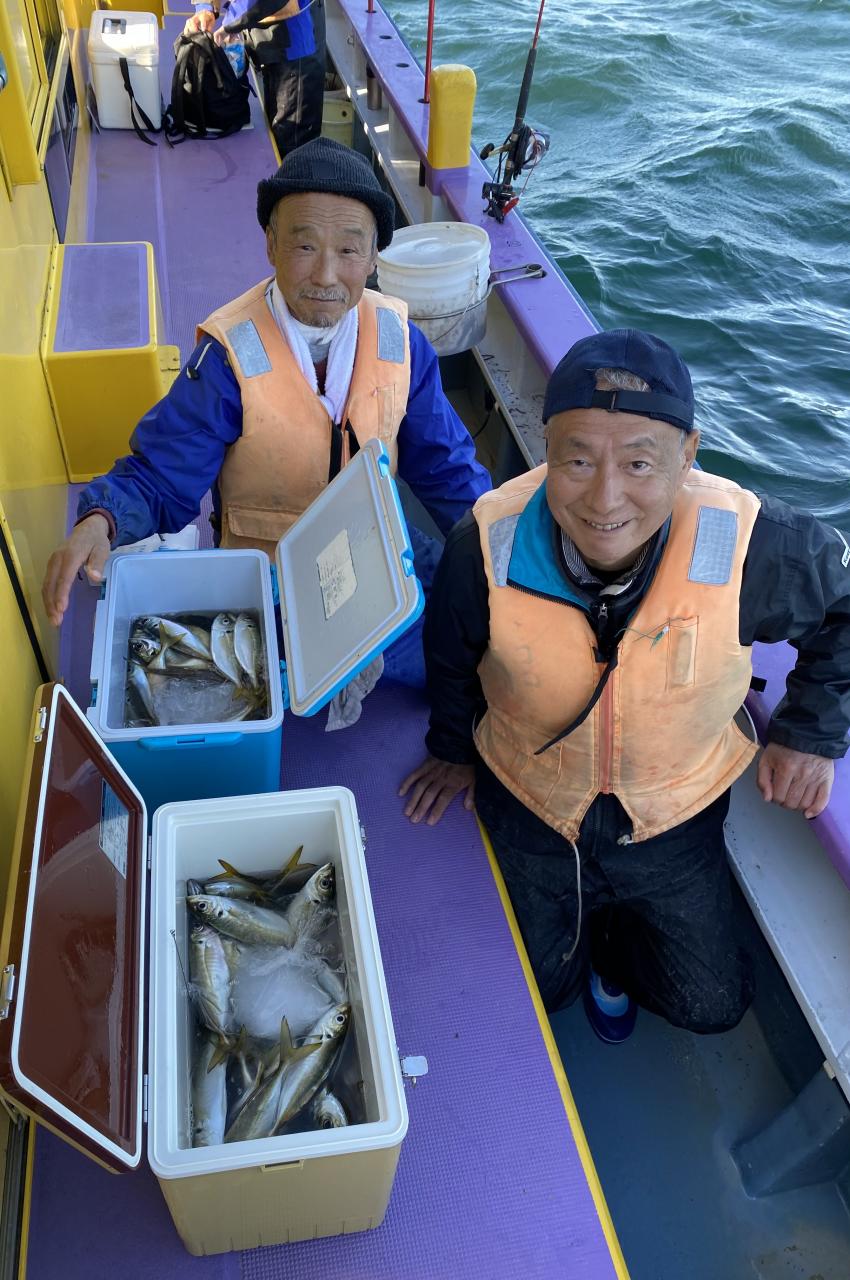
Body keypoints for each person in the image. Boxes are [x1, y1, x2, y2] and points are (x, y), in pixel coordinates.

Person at [400, 328, 850, 1042]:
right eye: (577, 460)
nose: (606, 498)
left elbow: (842, 611)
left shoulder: (755, 545)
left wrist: (811, 734)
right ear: (547, 448)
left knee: (712, 1005)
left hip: (674, 815)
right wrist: (452, 751)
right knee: (540, 994)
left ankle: (611, 949)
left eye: (640, 463)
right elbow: (451, 657)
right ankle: (574, 947)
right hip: (531, 804)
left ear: (687, 454)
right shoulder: (484, 544)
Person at [42, 138, 491, 647]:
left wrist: (495, 538)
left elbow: (446, 466)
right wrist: (101, 519)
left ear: (372, 259)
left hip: (374, 550)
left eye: (348, 249)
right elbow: (162, 475)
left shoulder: (401, 341)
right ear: (271, 245)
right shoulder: (227, 358)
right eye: (304, 246)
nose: (325, 275)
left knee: (478, 619)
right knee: (431, 658)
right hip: (274, 581)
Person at [184, 0, 325, 156]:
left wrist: (229, 24)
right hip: (267, 38)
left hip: (296, 47)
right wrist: (205, 7)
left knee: (292, 147)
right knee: (277, 136)